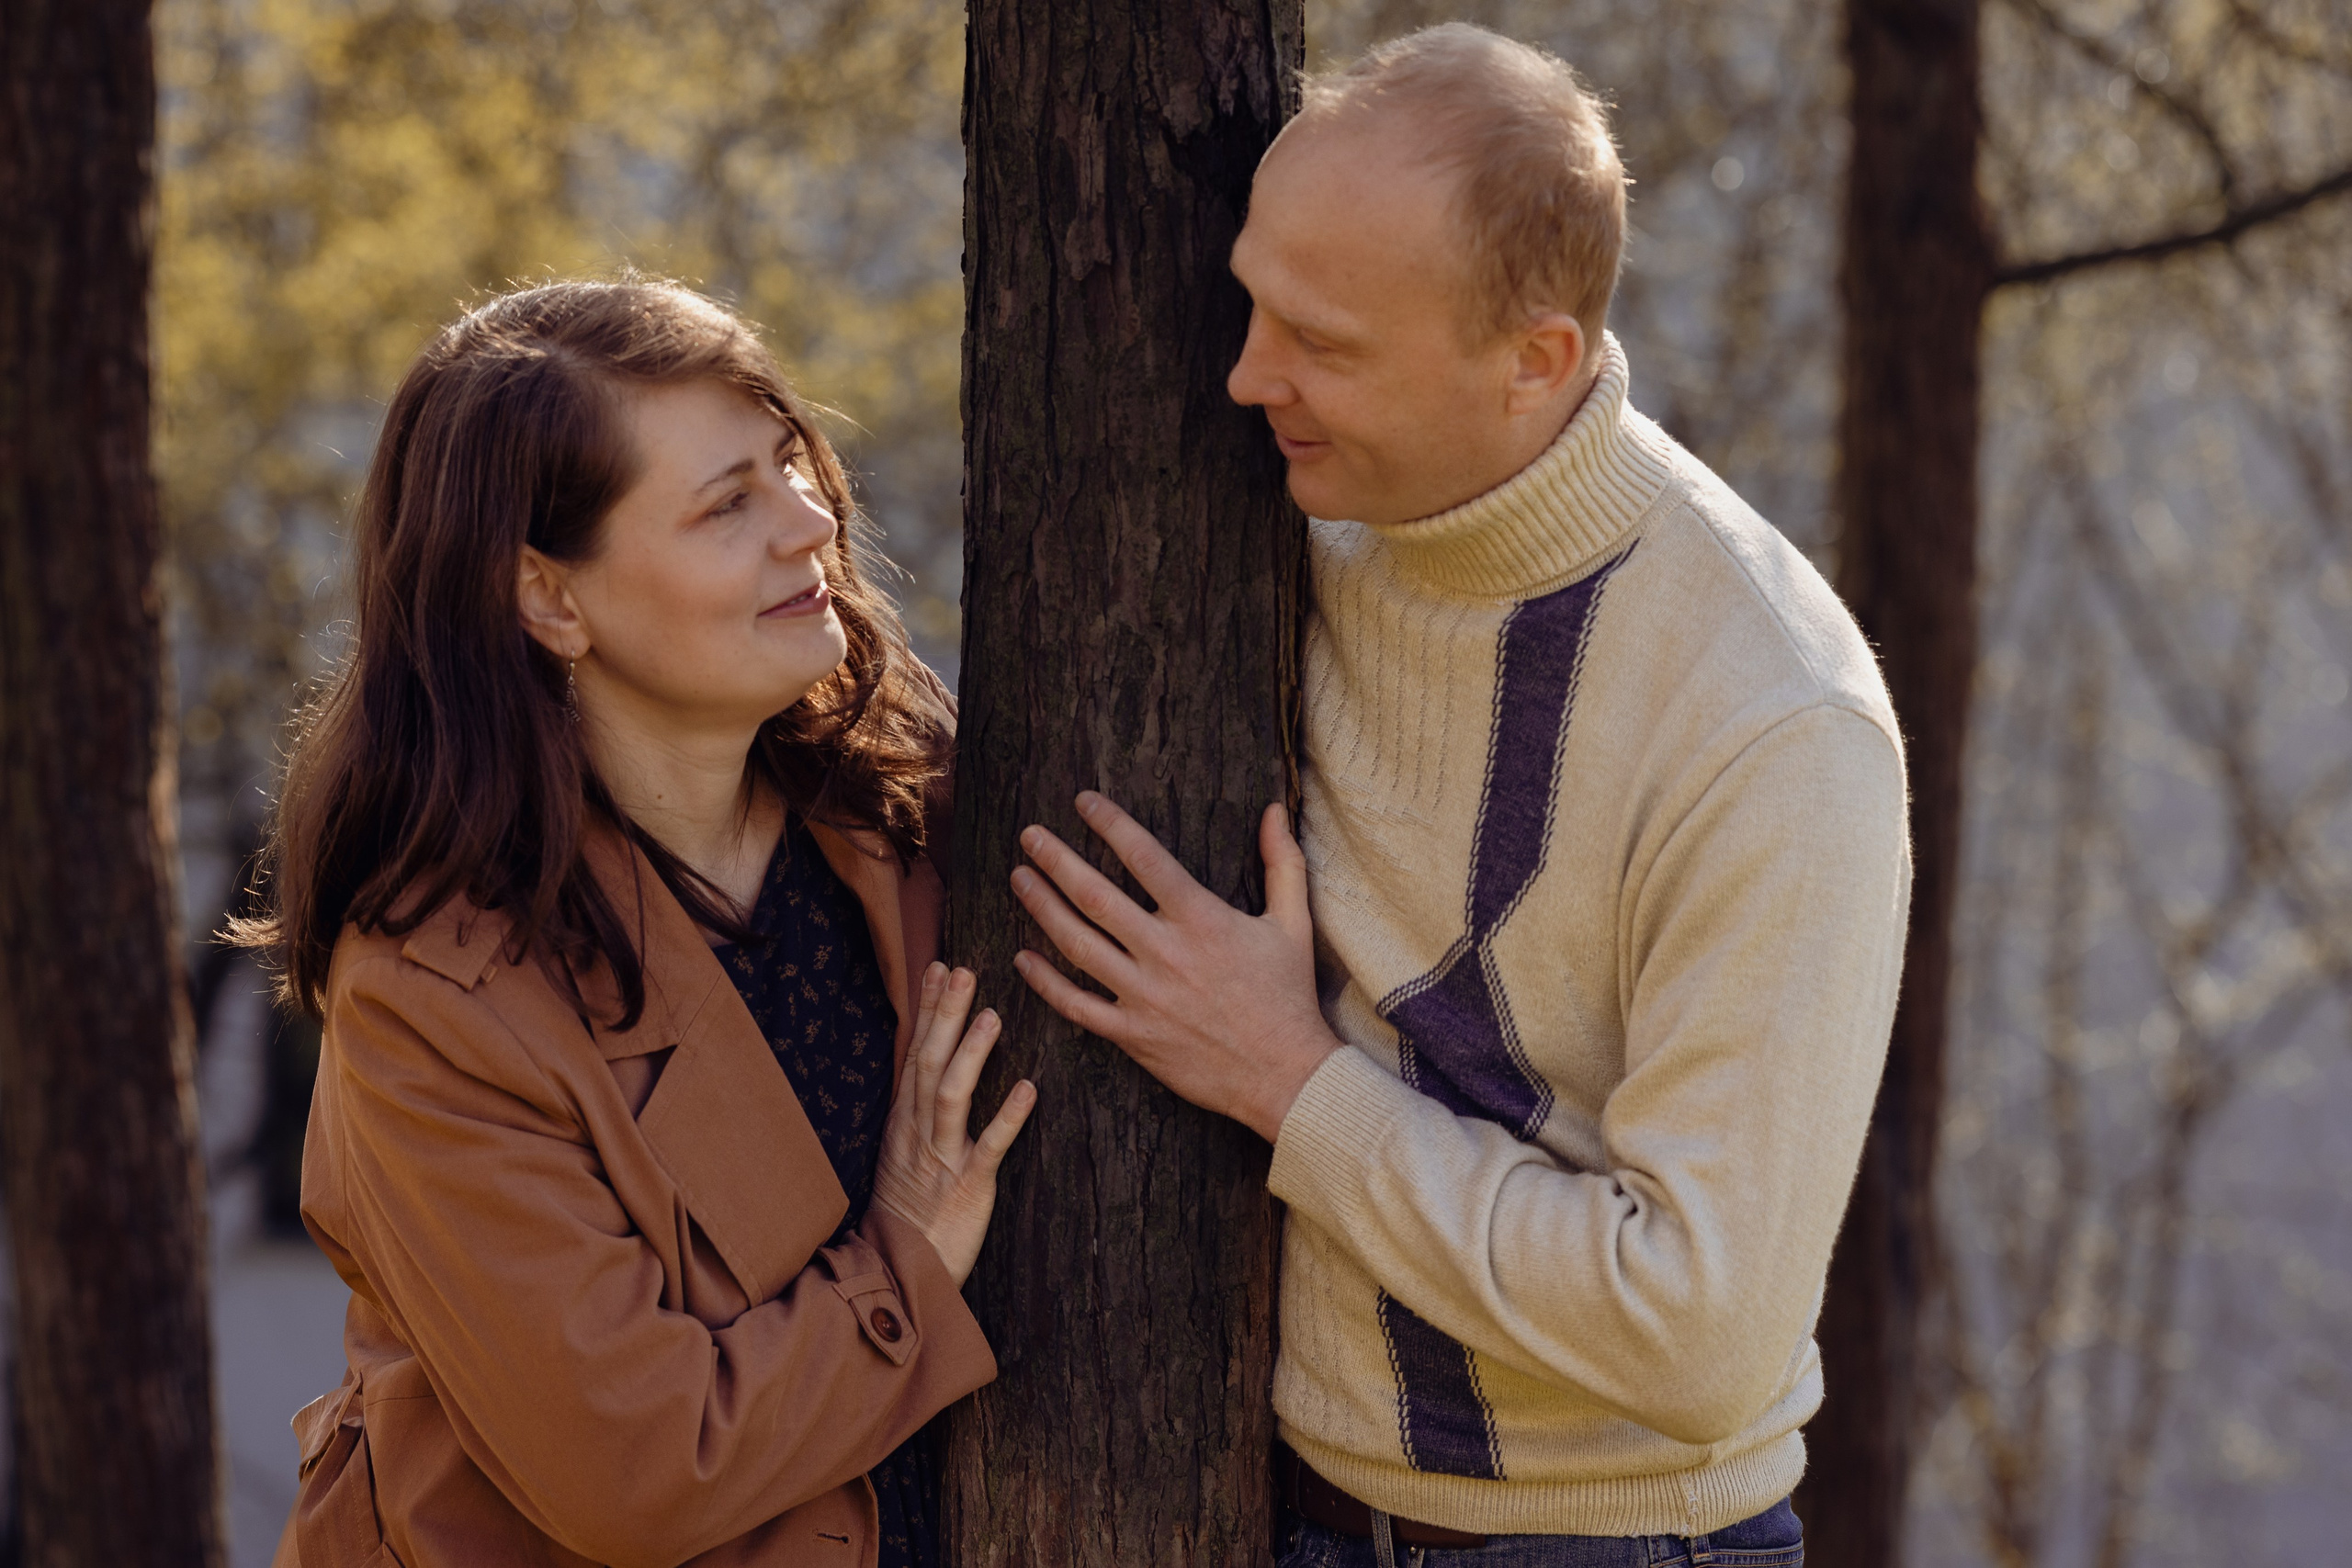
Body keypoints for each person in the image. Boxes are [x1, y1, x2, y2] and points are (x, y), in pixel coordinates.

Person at [1009, 25, 1910, 1568]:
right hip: (1284, 1514)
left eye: (1326, 342)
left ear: (1534, 361)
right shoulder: (1311, 514)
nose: (1244, 375)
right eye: (1252, 304)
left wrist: (1290, 1080)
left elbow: (1700, 1334)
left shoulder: (1771, 721)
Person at [242, 278, 1035, 1568]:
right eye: (728, 506)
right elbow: (637, 1469)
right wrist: (903, 1264)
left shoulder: (906, 792)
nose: (811, 522)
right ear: (551, 600)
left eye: (787, 462)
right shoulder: (436, 997)